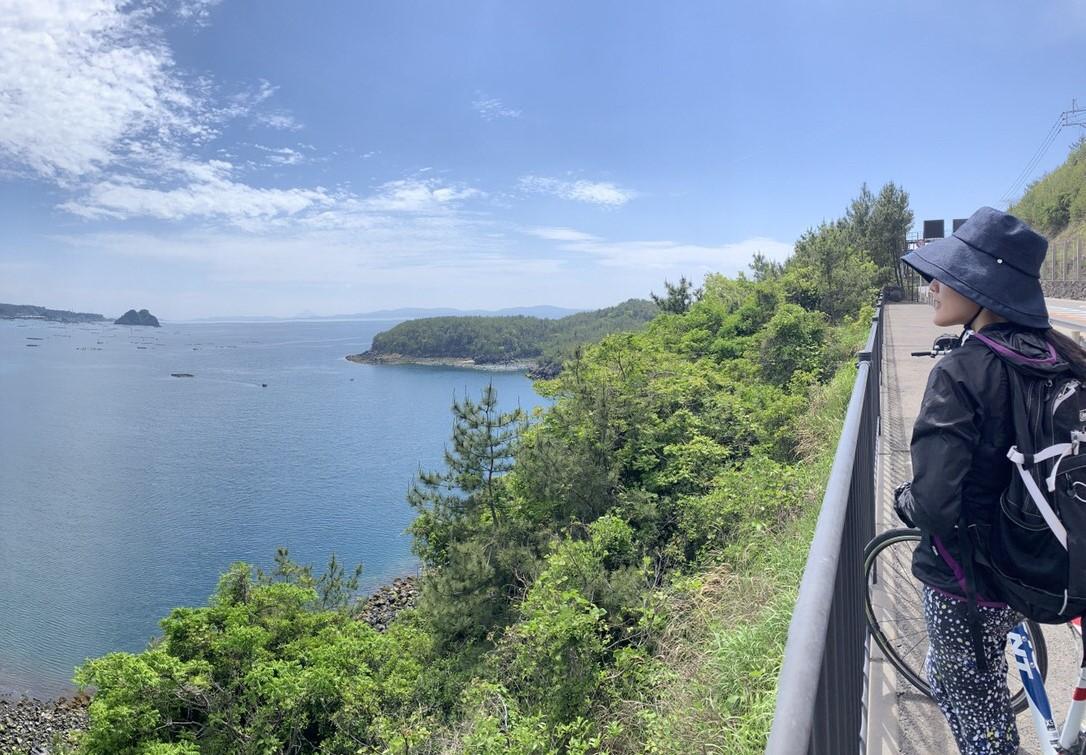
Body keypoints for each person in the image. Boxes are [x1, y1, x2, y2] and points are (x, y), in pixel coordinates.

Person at [892, 206, 1086, 755]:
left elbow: (932, 504)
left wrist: (907, 501)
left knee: (983, 723)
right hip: (1041, 557)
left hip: (969, 580)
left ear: (985, 290)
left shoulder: (959, 373)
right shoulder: (1064, 358)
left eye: (948, 277)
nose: (933, 286)